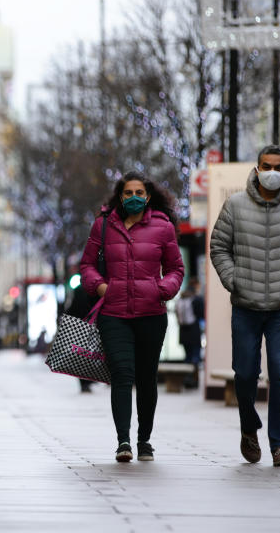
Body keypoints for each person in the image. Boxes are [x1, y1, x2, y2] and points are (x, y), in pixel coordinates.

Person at [210, 144, 280, 468]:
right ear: (257, 168)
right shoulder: (235, 205)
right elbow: (219, 247)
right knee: (244, 374)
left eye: (278, 166)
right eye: (266, 165)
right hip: (246, 304)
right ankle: (248, 428)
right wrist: (234, 279)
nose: (272, 172)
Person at [79, 170, 184, 463]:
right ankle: (123, 440)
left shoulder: (163, 227)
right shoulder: (102, 225)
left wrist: (161, 290)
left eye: (139, 193)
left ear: (148, 196)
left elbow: (176, 268)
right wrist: (101, 287)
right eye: (128, 193)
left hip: (151, 314)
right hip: (114, 314)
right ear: (120, 196)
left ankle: (144, 439)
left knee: (147, 379)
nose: (134, 198)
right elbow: (87, 265)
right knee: (122, 376)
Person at [176, 279, 203, 366]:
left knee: (187, 357)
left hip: (183, 331)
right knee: (195, 358)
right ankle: (194, 379)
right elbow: (201, 314)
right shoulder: (197, 298)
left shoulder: (181, 298)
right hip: (194, 330)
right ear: (196, 285)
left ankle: (187, 378)